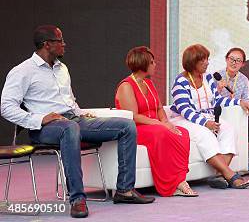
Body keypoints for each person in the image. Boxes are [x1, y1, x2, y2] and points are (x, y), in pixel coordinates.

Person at [1, 25, 154, 219]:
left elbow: (70, 101)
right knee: (70, 128)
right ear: (47, 45)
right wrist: (40, 118)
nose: (65, 45)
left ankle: (124, 190)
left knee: (126, 126)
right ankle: (77, 199)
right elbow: (6, 107)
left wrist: (84, 114)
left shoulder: (62, 68)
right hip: (45, 128)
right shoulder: (22, 71)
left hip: (73, 120)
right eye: (60, 41)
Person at [115, 46, 196, 197]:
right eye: (152, 62)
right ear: (143, 64)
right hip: (136, 128)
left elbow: (159, 108)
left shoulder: (149, 84)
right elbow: (133, 116)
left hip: (155, 126)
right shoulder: (126, 86)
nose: (155, 65)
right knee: (161, 132)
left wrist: (166, 121)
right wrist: (161, 124)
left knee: (182, 132)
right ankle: (172, 185)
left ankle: (179, 179)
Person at [169, 44, 249, 189]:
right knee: (205, 134)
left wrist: (239, 101)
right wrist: (205, 123)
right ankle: (230, 175)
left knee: (228, 129)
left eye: (207, 59)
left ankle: (219, 176)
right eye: (204, 60)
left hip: (206, 117)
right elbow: (185, 110)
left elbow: (217, 100)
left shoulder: (207, 77)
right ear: (193, 62)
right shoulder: (180, 81)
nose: (207, 63)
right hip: (185, 120)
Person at [216, 47, 249, 171]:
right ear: (226, 59)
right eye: (231, 59)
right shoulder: (216, 77)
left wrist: (245, 107)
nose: (234, 63)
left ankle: (245, 155)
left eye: (238, 60)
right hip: (219, 112)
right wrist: (218, 90)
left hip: (237, 114)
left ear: (243, 64)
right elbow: (211, 99)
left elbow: (246, 100)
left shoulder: (244, 80)